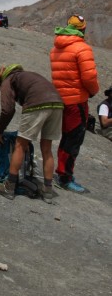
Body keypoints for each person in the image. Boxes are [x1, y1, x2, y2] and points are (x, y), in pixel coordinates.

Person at [0, 64, 64, 204]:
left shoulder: (9, 80)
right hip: (57, 104)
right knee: (47, 149)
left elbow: (7, 109)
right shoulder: (28, 76)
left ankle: (9, 187)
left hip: (37, 104)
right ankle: (47, 191)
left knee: (20, 145)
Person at [50, 15, 99, 192]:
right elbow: (89, 77)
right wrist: (93, 91)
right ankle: (65, 177)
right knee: (74, 138)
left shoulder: (56, 47)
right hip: (76, 100)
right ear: (82, 29)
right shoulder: (82, 48)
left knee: (66, 136)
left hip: (60, 98)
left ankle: (62, 172)